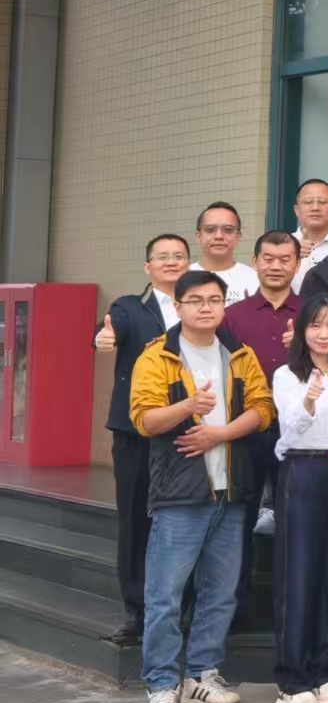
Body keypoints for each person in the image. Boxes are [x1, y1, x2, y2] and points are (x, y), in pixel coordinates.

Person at [130, 270, 274, 703]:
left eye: (215, 299)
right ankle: (160, 685)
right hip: (180, 493)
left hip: (232, 490)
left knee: (221, 592)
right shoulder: (158, 356)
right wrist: (188, 408)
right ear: (178, 306)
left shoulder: (239, 354)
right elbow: (144, 419)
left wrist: (219, 434)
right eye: (196, 300)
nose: (207, 307)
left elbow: (263, 408)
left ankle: (201, 676)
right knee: (165, 596)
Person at [93, 233, 191, 646]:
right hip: (136, 433)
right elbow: (107, 331)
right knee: (136, 520)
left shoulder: (201, 305)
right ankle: (137, 610)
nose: (171, 262)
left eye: (178, 256)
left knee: (184, 522)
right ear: (147, 266)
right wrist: (102, 337)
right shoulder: (130, 307)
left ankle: (182, 608)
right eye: (162, 256)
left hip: (189, 433)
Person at [268, 294, 328, 703]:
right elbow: (289, 426)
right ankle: (293, 679)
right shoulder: (288, 374)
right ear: (302, 330)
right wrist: (309, 399)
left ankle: (324, 671)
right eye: (316, 325)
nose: (324, 334)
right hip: (302, 471)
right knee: (299, 574)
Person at [222, 231, 302, 590]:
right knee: (238, 519)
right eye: (268, 258)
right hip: (245, 430)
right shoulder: (231, 316)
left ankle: (289, 604)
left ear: (297, 265)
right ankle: (233, 602)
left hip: (297, 433)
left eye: (285, 259)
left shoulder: (313, 314)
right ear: (254, 262)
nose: (276, 266)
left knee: (293, 521)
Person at [191, 202, 261, 303]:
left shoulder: (256, 280)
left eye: (228, 230)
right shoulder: (180, 278)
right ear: (198, 236)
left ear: (238, 236)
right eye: (210, 229)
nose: (219, 236)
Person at [291, 179, 328, 292]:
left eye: (323, 202)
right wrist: (290, 255)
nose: (315, 208)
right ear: (296, 210)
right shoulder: (280, 246)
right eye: (308, 202)